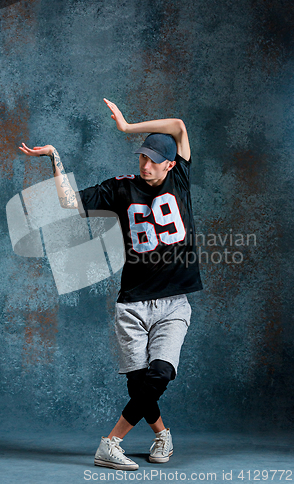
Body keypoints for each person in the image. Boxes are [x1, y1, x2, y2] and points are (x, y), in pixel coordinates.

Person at [19, 98, 203, 471]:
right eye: (141, 157)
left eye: (154, 159)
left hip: (173, 302)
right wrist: (55, 157)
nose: (145, 164)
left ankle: (111, 441)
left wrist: (126, 126)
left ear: (171, 164)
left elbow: (179, 124)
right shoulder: (121, 189)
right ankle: (162, 434)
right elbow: (69, 201)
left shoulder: (180, 177)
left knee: (160, 374)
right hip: (133, 304)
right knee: (139, 386)